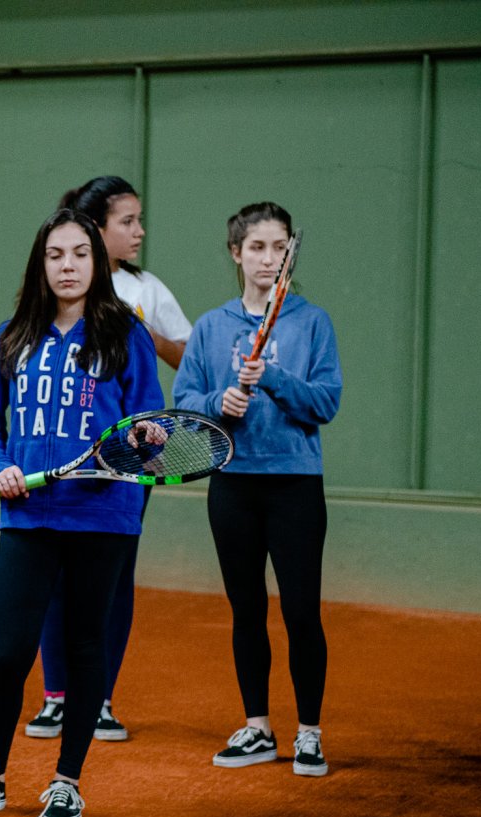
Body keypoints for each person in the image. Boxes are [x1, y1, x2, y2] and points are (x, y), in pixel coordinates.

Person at [0, 208, 163, 817]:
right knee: (11, 650)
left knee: (86, 644)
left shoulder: (127, 334)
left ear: (97, 262)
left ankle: (67, 782)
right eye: (55, 255)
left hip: (103, 517)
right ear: (40, 264)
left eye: (79, 254)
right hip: (28, 516)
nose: (67, 266)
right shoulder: (13, 335)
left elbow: (148, 427)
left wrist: (142, 442)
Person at [171, 201, 342, 777]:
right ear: (236, 253)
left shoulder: (312, 322)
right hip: (232, 485)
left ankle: (310, 733)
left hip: (295, 484)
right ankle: (258, 727)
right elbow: (185, 401)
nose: (269, 259)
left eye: (279, 248)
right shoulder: (212, 326)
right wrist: (219, 401)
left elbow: (326, 401)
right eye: (257, 248)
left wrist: (272, 377)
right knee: (246, 610)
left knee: (301, 611)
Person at [24, 176, 195, 744]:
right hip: (57, 461)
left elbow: (183, 354)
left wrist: (141, 330)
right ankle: (56, 696)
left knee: (111, 581)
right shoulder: (55, 287)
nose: (139, 231)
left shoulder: (146, 290)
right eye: (128, 221)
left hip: (123, 465)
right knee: (54, 581)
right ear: (96, 228)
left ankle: (97, 700)